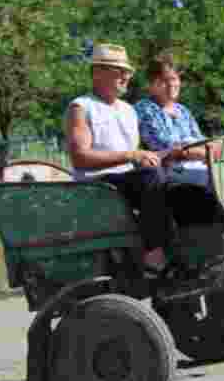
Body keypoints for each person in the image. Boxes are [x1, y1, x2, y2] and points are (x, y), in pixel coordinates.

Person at [64, 44, 172, 274]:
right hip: (96, 188)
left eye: (128, 71)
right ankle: (152, 255)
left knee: (176, 183)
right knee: (151, 178)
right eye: (119, 70)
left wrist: (168, 155)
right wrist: (131, 155)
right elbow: (80, 159)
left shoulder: (128, 110)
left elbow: (135, 157)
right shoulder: (81, 107)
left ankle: (188, 258)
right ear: (97, 72)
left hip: (126, 184)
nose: (126, 76)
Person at [134, 54, 220, 189]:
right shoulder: (145, 109)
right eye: (164, 80)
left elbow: (200, 140)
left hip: (194, 167)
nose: (171, 85)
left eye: (174, 79)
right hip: (166, 174)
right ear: (151, 84)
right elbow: (165, 147)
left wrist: (214, 148)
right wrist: (204, 153)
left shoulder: (183, 110)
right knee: (218, 180)